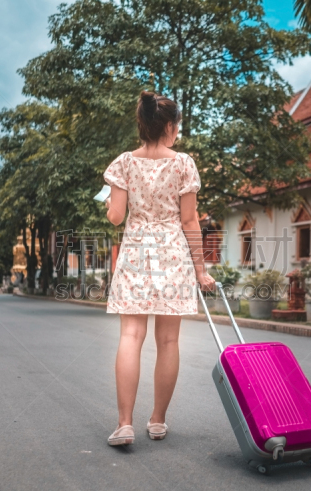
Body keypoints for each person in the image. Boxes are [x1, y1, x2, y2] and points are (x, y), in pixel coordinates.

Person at [103, 90, 215, 446]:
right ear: (168, 126)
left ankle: (124, 424)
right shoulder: (183, 164)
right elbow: (190, 220)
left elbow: (116, 216)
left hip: (136, 252)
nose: (178, 131)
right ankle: (157, 421)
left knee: (130, 337)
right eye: (177, 125)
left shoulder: (124, 163)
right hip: (172, 255)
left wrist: (109, 201)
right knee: (168, 341)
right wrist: (200, 271)